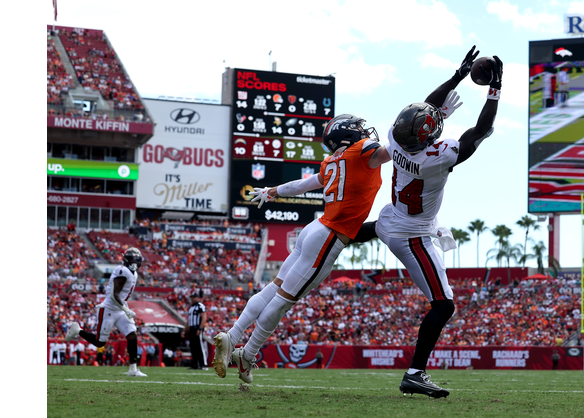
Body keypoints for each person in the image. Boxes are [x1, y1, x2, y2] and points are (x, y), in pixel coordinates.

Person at [353, 48, 503, 398]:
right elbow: (482, 130)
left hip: (390, 218)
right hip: (414, 235)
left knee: (371, 229)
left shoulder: (395, 137)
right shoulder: (438, 158)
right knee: (444, 304)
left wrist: (458, 75)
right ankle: (415, 373)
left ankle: (332, 235)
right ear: (429, 138)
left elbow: (422, 110)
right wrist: (494, 87)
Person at [210, 112, 390, 383]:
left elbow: (302, 185)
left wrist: (273, 191)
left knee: (272, 288)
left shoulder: (332, 160)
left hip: (313, 229)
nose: (364, 132)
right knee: (282, 301)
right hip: (329, 235)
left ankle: (232, 335)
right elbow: (397, 147)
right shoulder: (362, 151)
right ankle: (247, 354)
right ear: (348, 134)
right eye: (358, 128)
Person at [64, 247, 147, 377]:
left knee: (132, 336)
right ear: (126, 260)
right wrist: (127, 309)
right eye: (133, 259)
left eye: (137, 260)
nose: (135, 262)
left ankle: (133, 369)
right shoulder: (122, 271)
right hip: (109, 309)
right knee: (100, 343)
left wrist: (125, 309)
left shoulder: (134, 274)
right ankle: (78, 331)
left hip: (120, 309)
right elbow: (114, 295)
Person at [183, 292, 207, 370]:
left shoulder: (200, 306)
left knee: (199, 346)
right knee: (193, 347)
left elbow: (204, 317)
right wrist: (184, 330)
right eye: (192, 297)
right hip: (192, 328)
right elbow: (188, 320)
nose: (192, 298)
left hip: (197, 328)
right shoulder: (191, 307)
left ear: (197, 298)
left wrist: (200, 328)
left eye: (194, 297)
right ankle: (195, 365)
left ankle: (203, 364)